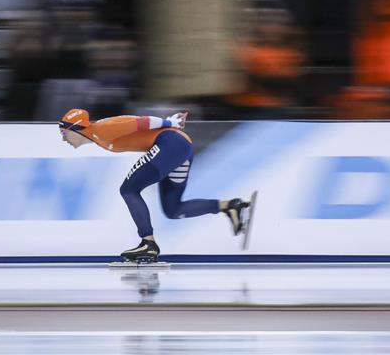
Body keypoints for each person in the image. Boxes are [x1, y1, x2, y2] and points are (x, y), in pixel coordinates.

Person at [59, 108, 252, 262]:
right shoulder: (97, 137)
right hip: (180, 148)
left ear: (77, 128)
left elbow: (142, 122)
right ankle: (230, 206)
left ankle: (148, 243)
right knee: (173, 209)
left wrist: (170, 122)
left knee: (129, 189)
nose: (63, 138)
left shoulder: (102, 129)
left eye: (64, 133)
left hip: (170, 143)